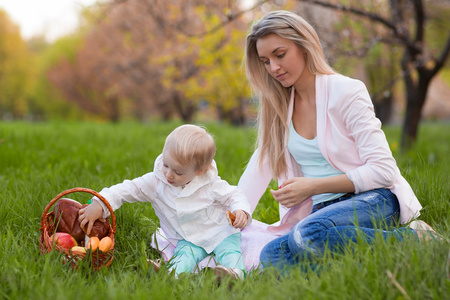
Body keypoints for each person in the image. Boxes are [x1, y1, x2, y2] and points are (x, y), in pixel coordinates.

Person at [237, 10, 440, 271]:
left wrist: (312, 186)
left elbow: (384, 171)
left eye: (280, 54)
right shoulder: (278, 105)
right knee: (271, 257)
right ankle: (355, 267)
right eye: (265, 61)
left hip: (372, 199)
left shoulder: (347, 91)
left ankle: (415, 238)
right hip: (320, 211)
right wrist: (236, 212)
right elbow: (261, 164)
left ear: (304, 46)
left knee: (306, 236)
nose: (273, 68)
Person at [79, 124, 252, 279]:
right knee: (184, 255)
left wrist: (240, 210)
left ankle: (233, 274)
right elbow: (126, 190)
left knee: (230, 250)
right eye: (166, 164)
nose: (168, 174)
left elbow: (234, 195)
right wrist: (100, 203)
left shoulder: (210, 184)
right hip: (188, 237)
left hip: (220, 231)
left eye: (178, 172)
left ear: (199, 171)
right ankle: (171, 274)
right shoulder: (156, 183)